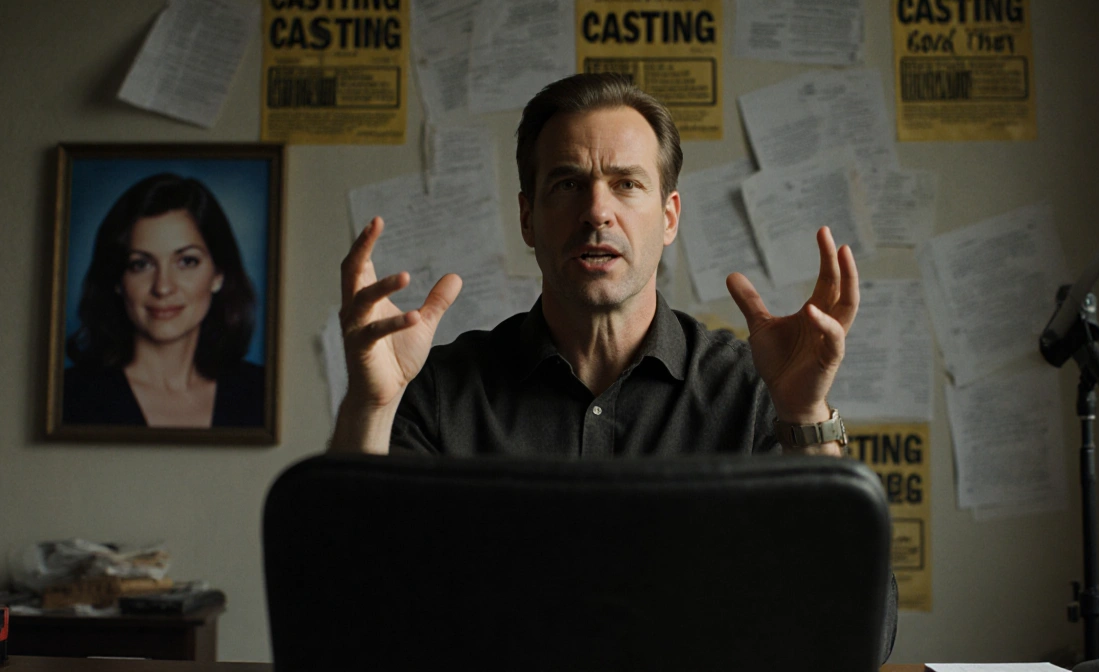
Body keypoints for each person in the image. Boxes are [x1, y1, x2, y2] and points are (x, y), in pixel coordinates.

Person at [331, 73, 895, 659]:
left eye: (626, 184)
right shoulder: (441, 391)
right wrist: (370, 406)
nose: (597, 211)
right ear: (527, 219)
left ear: (669, 217)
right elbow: (348, 610)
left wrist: (804, 414)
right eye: (567, 184)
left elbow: (857, 640)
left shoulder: (754, 391)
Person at [63, 173, 263, 428]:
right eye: (141, 264)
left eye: (187, 261)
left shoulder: (263, 393)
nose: (163, 287)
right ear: (118, 281)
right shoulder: (68, 398)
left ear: (218, 275)